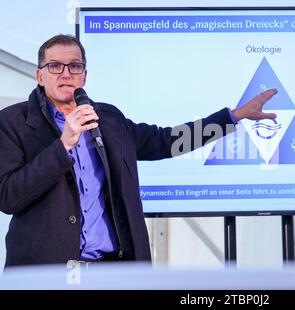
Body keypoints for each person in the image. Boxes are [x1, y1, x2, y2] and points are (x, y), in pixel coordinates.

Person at [0, 34, 277, 267]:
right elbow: (8, 197)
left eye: (74, 66)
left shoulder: (109, 120)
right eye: (55, 66)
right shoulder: (13, 123)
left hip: (113, 271)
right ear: (39, 75)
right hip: (46, 274)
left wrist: (232, 117)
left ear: (84, 76)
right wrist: (63, 145)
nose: (65, 74)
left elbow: (166, 141)